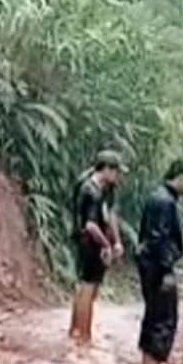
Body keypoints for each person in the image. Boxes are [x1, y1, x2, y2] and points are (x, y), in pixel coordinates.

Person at [136, 159, 183, 364]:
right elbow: (159, 238)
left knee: (152, 314)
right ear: (180, 177)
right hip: (157, 267)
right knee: (164, 317)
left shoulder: (156, 196)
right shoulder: (165, 202)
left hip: (148, 264)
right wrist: (166, 270)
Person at [68, 150, 124, 353]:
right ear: (106, 169)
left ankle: (76, 331)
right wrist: (106, 245)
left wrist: (115, 240)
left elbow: (110, 214)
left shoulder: (104, 188)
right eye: (115, 171)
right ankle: (84, 336)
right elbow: (91, 225)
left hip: (93, 241)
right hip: (88, 242)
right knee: (88, 289)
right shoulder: (90, 190)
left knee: (85, 287)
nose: (117, 176)